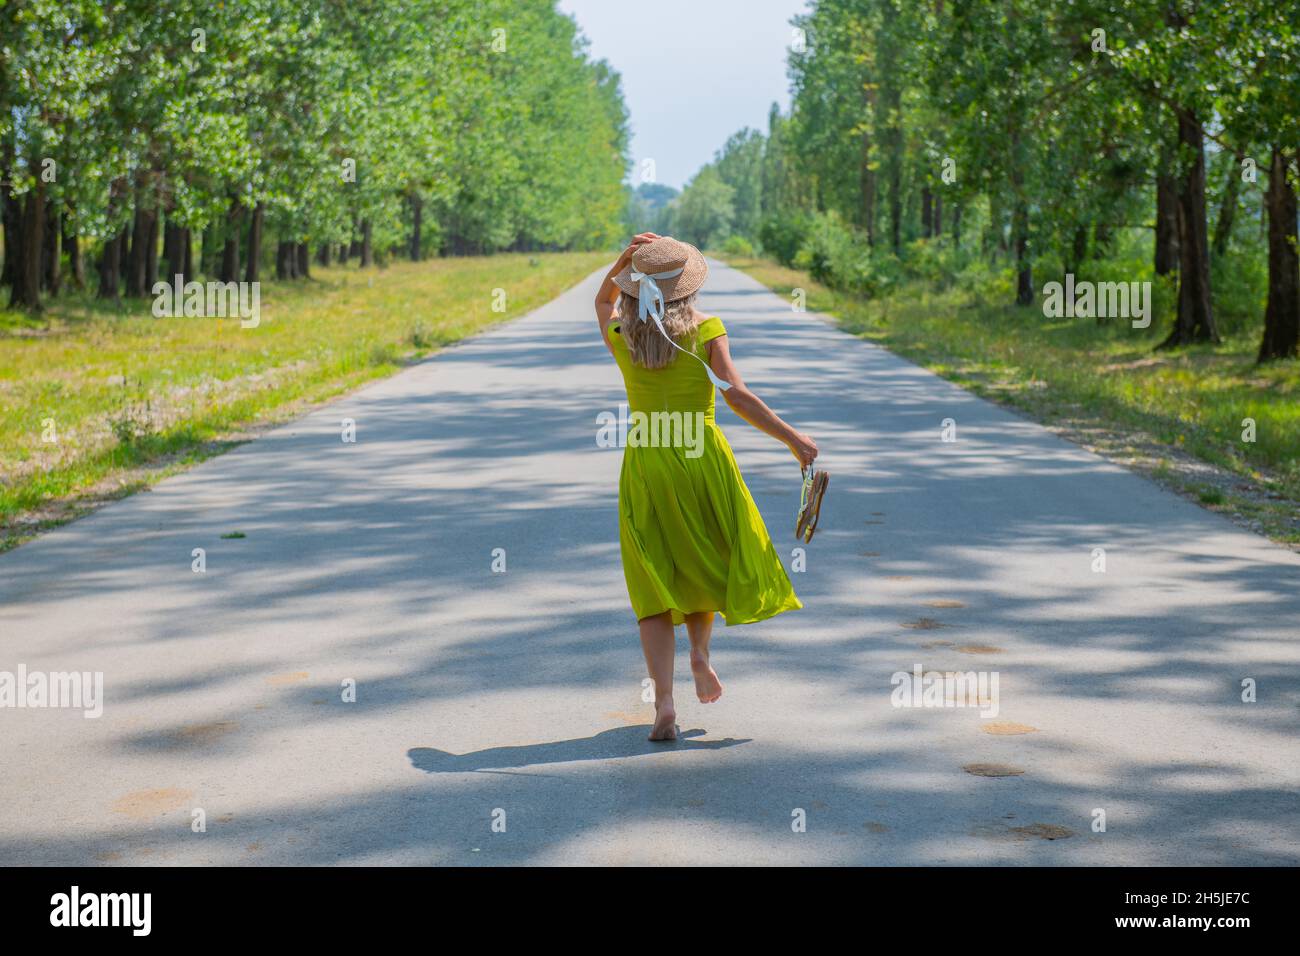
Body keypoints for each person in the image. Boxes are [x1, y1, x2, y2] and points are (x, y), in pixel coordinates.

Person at [595, 233, 819, 741]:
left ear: (634, 288)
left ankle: (665, 704)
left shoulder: (621, 333)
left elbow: (603, 299)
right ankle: (699, 654)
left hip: (648, 460)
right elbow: (736, 396)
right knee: (701, 561)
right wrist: (793, 439)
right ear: (688, 287)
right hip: (702, 458)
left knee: (653, 580)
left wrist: (626, 260)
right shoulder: (707, 329)